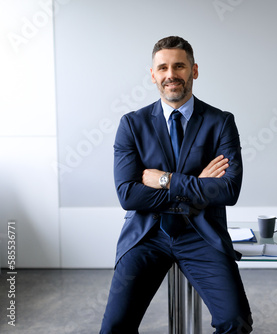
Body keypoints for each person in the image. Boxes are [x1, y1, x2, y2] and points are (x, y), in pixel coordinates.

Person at [100, 36, 253, 334]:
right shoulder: (132, 124)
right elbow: (129, 195)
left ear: (194, 70)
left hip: (201, 234)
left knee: (235, 322)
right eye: (164, 67)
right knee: (114, 327)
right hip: (147, 235)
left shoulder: (220, 122)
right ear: (153, 74)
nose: (171, 74)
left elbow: (229, 190)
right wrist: (196, 187)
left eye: (179, 66)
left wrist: (164, 179)